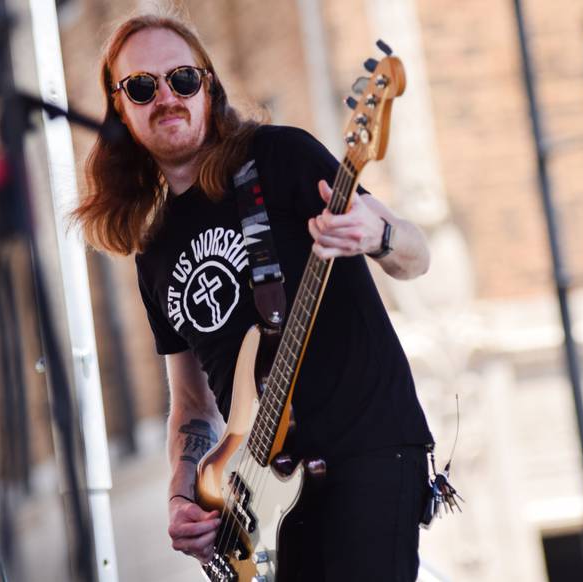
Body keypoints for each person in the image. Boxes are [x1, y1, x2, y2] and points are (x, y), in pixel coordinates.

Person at [73, 13, 434, 582]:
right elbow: (192, 406)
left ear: (209, 87)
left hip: (366, 450)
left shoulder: (279, 157)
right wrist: (182, 497)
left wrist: (380, 236)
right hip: (260, 500)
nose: (166, 96)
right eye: (143, 86)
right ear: (121, 107)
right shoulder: (154, 249)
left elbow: (416, 254)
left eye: (183, 79)